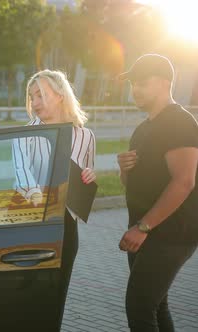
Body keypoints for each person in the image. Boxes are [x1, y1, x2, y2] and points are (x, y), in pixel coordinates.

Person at [117, 54, 198, 332]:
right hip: (144, 232)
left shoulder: (180, 122)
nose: (135, 89)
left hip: (171, 233)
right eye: (132, 84)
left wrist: (143, 227)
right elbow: (133, 185)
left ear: (164, 83)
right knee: (156, 305)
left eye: (142, 83)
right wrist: (124, 169)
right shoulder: (143, 128)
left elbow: (184, 182)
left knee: (139, 306)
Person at [12, 69, 97, 325]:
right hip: (32, 222)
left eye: (41, 95)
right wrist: (37, 196)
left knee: (57, 296)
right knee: (27, 296)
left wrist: (90, 176)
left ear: (60, 95)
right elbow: (22, 177)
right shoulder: (23, 136)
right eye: (31, 97)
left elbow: (87, 174)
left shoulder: (86, 136)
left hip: (66, 227)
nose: (35, 103)